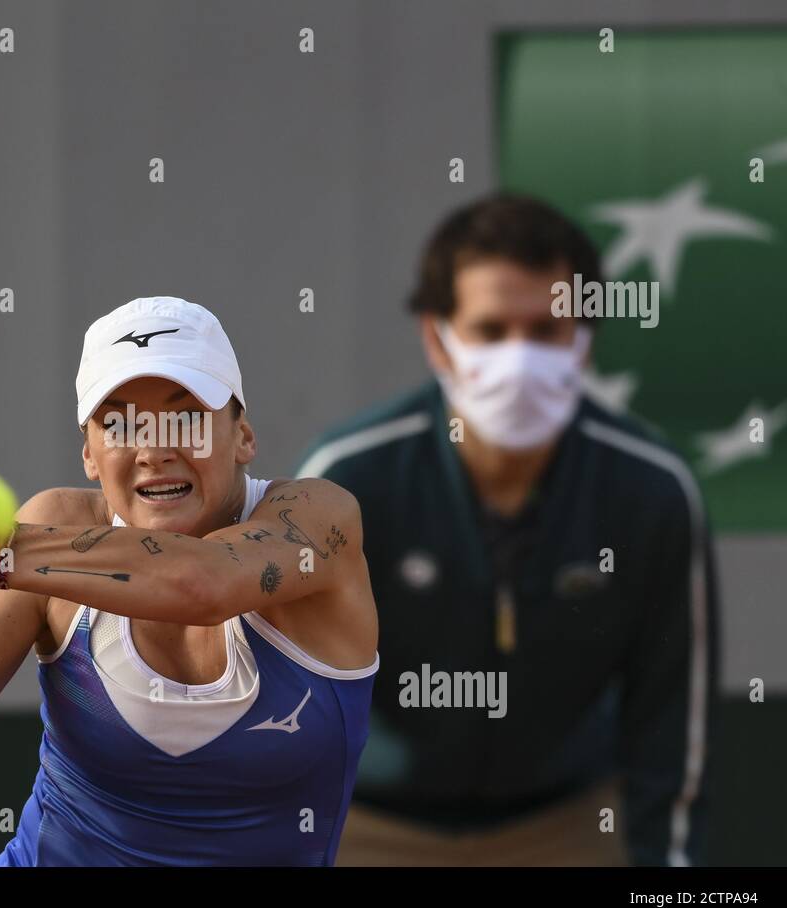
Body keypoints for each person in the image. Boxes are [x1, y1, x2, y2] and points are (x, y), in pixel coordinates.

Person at [0, 296, 380, 866]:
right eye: (120, 424)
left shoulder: (316, 519)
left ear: (243, 436)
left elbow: (203, 583)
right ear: (89, 453)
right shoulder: (53, 529)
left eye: (185, 417)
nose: (154, 449)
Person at [297, 195, 718, 866]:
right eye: (491, 331)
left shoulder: (651, 491)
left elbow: (672, 724)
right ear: (438, 338)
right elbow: (284, 699)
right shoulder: (349, 479)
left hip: (567, 823)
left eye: (546, 330)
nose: (519, 360)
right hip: (371, 824)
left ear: (583, 337)